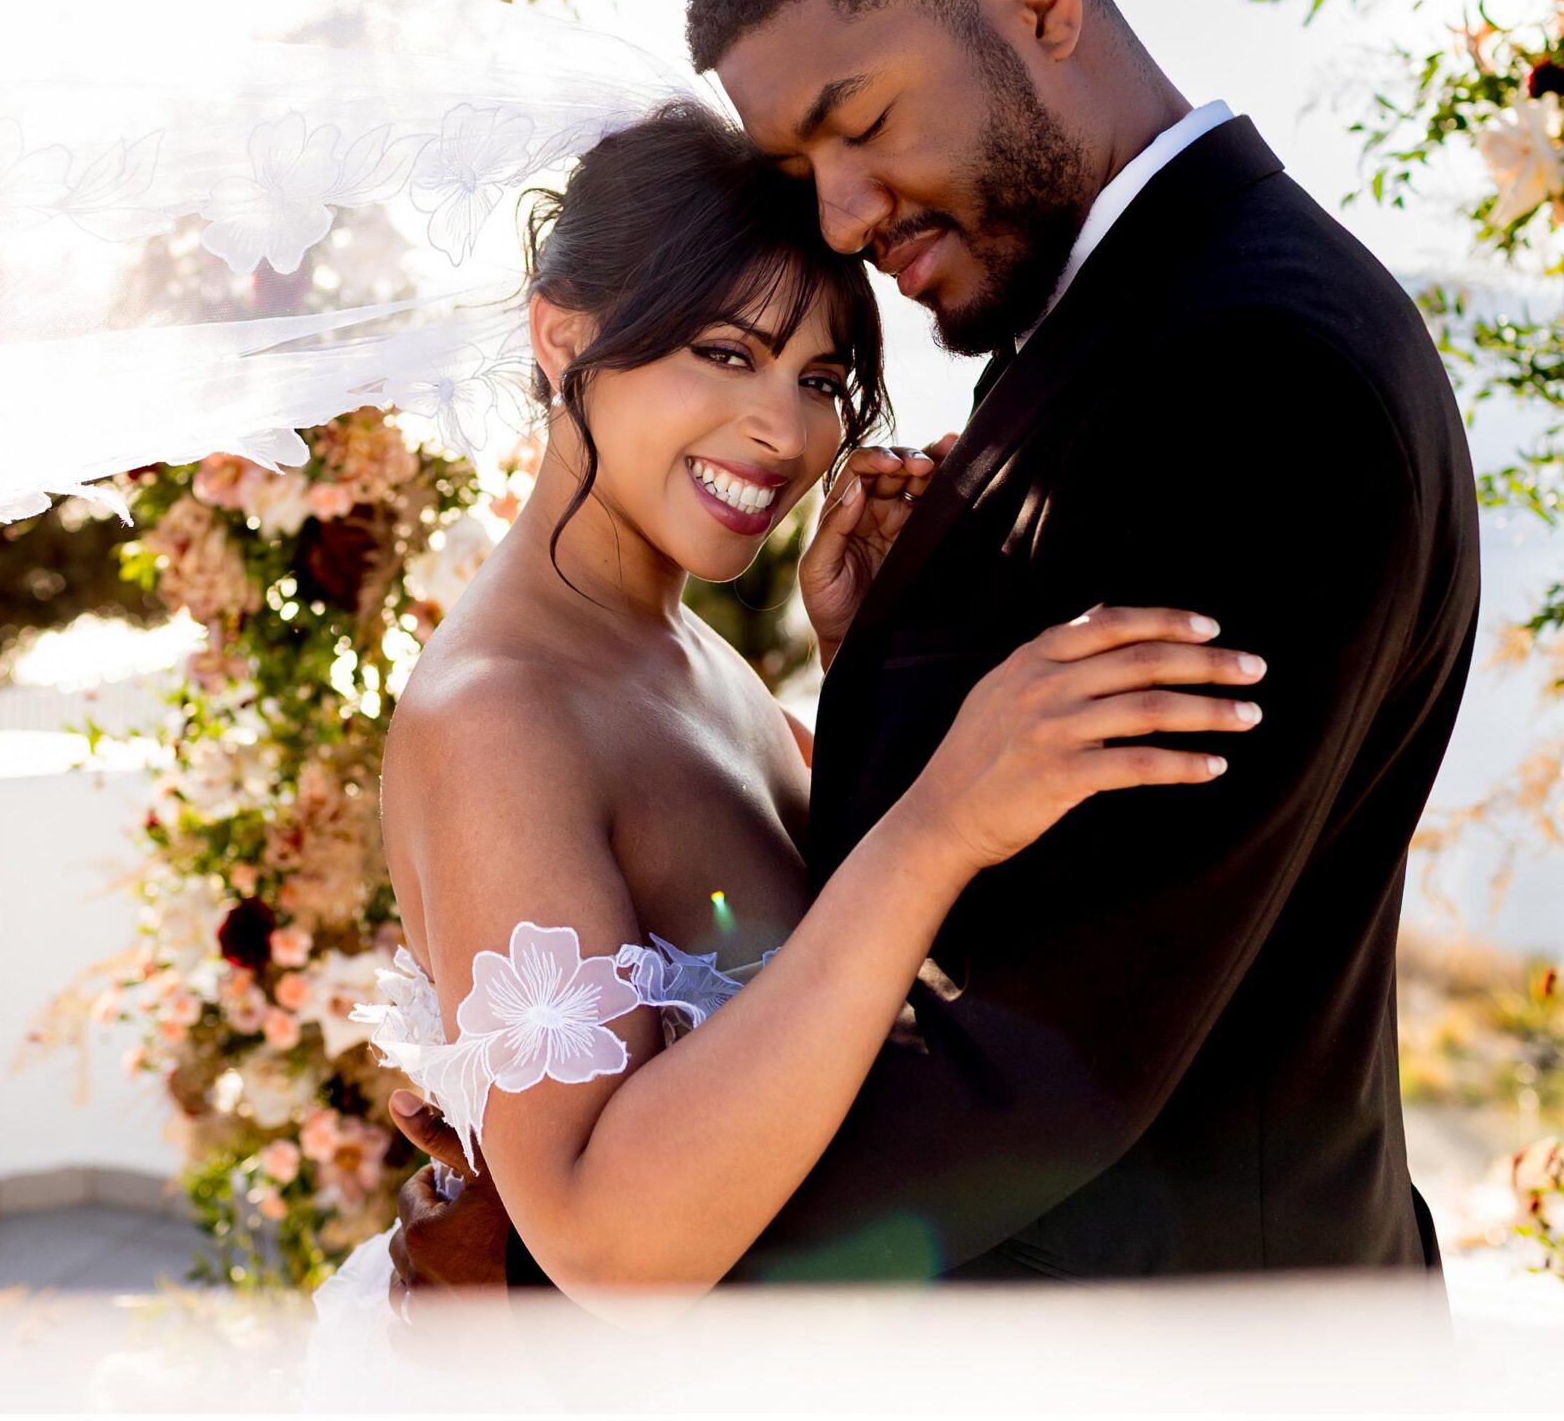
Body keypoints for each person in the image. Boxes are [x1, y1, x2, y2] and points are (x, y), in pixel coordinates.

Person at [386, 0, 1480, 1295]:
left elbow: (1050, 1053)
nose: (839, 218)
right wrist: (883, 697)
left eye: (863, 121)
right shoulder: (1106, 332)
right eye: (723, 349)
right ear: (562, 336)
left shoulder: (1252, 370)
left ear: (1037, 1)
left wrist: (545, 1282)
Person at [304, 98, 1260, 1348]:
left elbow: (824, 997)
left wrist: (863, 664)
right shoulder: (498, 714)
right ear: (562, 337)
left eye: (818, 378)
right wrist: (935, 825)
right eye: (723, 351)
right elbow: (597, 1233)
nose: (787, 430)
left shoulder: (688, 655)